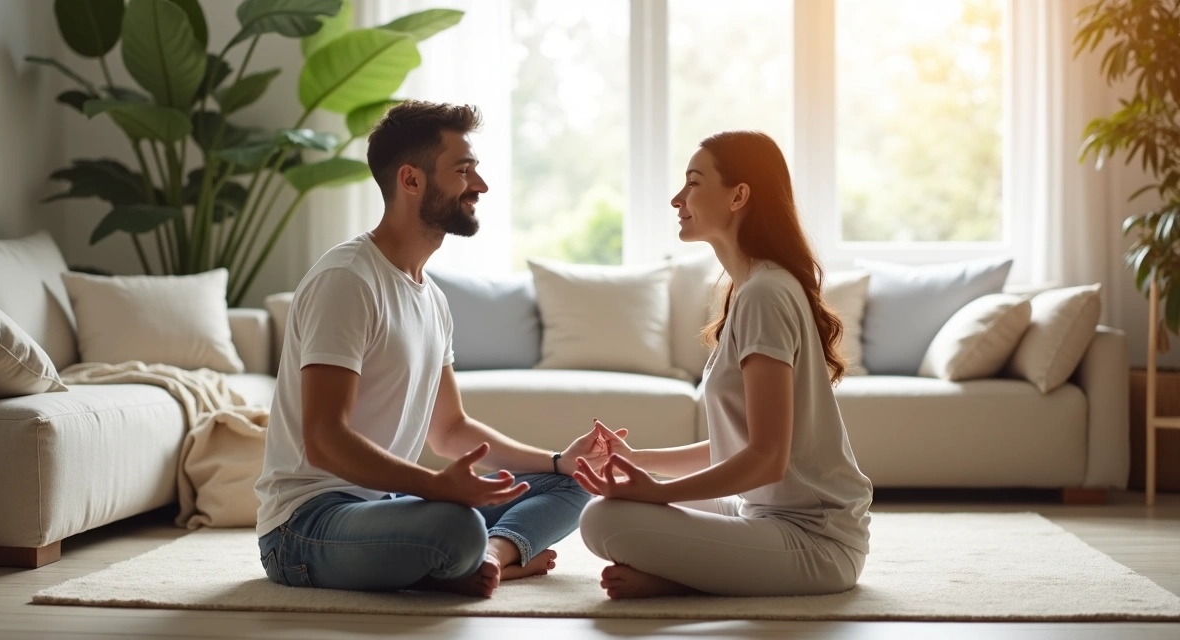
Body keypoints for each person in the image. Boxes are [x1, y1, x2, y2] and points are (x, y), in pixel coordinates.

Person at [255, 101, 621, 598]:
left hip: (386, 506)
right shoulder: (347, 280)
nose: (480, 185)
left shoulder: (432, 299)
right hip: (305, 525)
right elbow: (324, 439)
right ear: (411, 180)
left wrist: (558, 460)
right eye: (463, 170)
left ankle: (490, 558)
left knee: (574, 483)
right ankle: (471, 557)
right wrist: (436, 486)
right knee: (456, 525)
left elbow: (450, 430)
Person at [574, 130, 873, 599]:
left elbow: (767, 458)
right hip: (761, 511)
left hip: (816, 540)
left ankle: (681, 580)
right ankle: (691, 573)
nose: (678, 198)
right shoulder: (752, 288)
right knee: (610, 505)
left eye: (694, 183)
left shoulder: (765, 294)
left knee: (603, 520)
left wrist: (657, 492)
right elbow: (742, 446)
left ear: (738, 196)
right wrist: (637, 461)